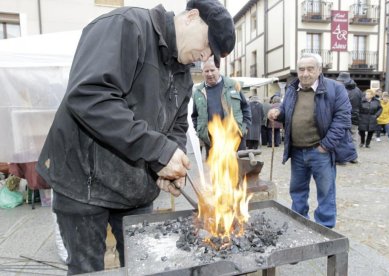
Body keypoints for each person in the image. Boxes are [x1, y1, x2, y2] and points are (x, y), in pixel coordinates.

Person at [35, 0, 236, 274]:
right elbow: (90, 96)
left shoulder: (183, 75)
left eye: (211, 53)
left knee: (144, 266)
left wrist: (167, 166)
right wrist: (157, 152)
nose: (205, 56)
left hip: (135, 190)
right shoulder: (126, 26)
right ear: (191, 16)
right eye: (207, 44)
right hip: (84, 182)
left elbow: (177, 126)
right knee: (88, 270)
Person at [267, 53, 356, 228]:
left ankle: (325, 229)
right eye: (301, 69)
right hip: (297, 151)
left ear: (319, 70)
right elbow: (287, 112)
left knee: (326, 192)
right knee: (297, 192)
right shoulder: (292, 90)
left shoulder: (335, 89)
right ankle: (300, 225)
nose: (305, 73)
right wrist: (277, 113)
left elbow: (343, 119)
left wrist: (325, 146)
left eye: (310, 69)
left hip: (320, 151)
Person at [191, 58, 251, 158]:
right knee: (217, 172)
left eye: (212, 70)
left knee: (238, 171)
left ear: (218, 69)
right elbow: (194, 116)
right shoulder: (198, 92)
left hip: (235, 138)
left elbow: (246, 108)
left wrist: (244, 128)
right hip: (212, 141)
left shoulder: (233, 85)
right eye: (206, 71)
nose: (209, 74)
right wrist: (200, 132)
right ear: (202, 72)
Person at [336, 72, 363, 149]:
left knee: (340, 136)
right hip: (355, 116)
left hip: (341, 116)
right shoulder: (358, 90)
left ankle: (342, 156)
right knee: (354, 136)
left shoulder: (340, 89)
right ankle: (353, 156)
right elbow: (361, 105)